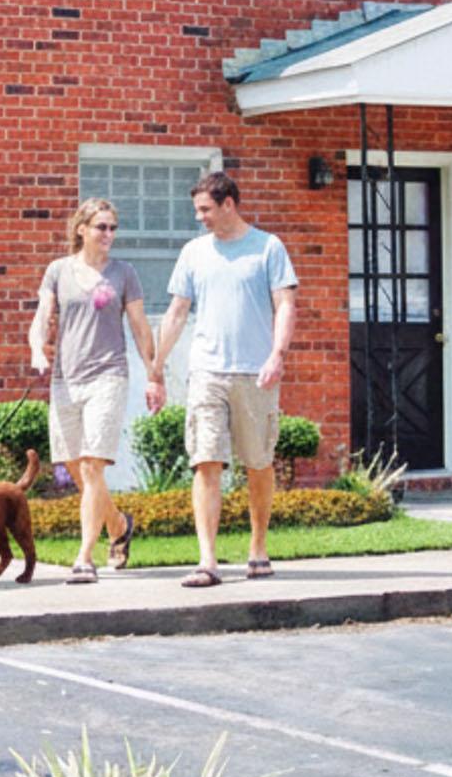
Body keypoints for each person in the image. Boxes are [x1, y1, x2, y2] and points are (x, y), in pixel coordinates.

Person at [148, 171, 298, 589]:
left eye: (205, 209)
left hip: (256, 372)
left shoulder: (268, 247)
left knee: (258, 463)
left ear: (228, 204)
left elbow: (285, 304)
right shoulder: (194, 253)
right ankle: (208, 561)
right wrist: (157, 368)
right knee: (205, 461)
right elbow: (177, 312)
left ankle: (258, 547)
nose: (200, 218)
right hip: (207, 372)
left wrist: (277, 354)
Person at [30, 198, 154, 583]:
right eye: (102, 227)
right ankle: (118, 525)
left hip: (108, 376)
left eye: (113, 228)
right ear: (81, 229)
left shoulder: (124, 273)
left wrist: (154, 373)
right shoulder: (58, 271)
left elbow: (139, 326)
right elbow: (41, 317)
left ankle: (85, 557)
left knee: (91, 465)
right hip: (66, 379)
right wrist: (37, 348)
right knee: (73, 465)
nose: (109, 235)